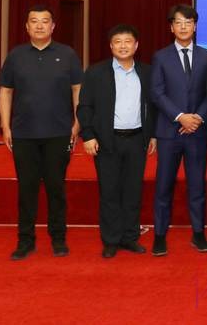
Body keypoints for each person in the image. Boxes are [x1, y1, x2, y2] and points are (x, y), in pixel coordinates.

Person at [0, 4, 83, 261]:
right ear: (27, 26)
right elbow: (6, 92)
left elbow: (77, 90)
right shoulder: (16, 56)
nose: (39, 25)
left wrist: (77, 123)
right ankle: (25, 240)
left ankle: (58, 238)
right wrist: (5, 125)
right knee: (27, 189)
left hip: (59, 132)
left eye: (44, 21)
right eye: (34, 21)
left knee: (56, 188)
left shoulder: (67, 54)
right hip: (24, 133)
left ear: (53, 26)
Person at [77, 24, 157, 258]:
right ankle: (111, 239)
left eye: (128, 41)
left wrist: (152, 134)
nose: (123, 46)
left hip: (137, 139)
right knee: (109, 191)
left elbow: (153, 107)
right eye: (118, 42)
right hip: (106, 140)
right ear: (111, 46)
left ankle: (130, 237)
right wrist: (88, 135)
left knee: (133, 191)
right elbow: (85, 106)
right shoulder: (96, 72)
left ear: (136, 45)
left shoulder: (147, 72)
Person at [150, 4, 207, 257]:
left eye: (188, 22)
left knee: (197, 186)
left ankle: (198, 233)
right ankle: (159, 235)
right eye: (179, 22)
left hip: (197, 131)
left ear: (195, 26)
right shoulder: (160, 57)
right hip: (169, 131)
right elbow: (157, 92)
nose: (184, 27)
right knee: (163, 186)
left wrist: (197, 118)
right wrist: (180, 117)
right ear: (171, 27)